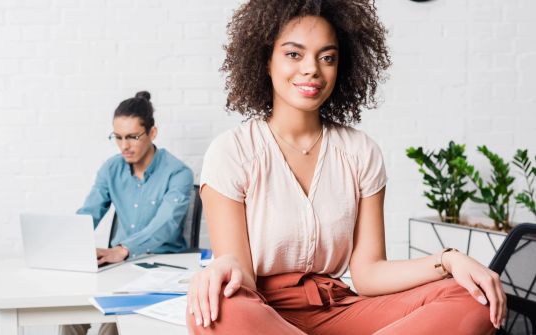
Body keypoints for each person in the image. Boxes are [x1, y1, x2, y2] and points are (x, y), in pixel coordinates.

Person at [186, 1, 505, 334]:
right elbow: (242, 276)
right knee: (215, 308)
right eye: (294, 54)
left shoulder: (360, 152)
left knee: (472, 296)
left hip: (338, 310)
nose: (312, 69)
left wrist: (450, 260)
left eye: (327, 58)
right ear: (265, 60)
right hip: (262, 314)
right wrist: (221, 268)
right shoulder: (232, 151)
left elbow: (369, 274)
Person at [62, 91, 194, 335]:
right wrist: (66, 243)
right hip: (117, 267)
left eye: (133, 137)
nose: (125, 146)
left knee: (113, 328)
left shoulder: (178, 173)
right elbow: (90, 212)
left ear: (152, 133)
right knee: (69, 313)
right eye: (118, 137)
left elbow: (165, 224)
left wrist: (123, 249)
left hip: (163, 267)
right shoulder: (111, 168)